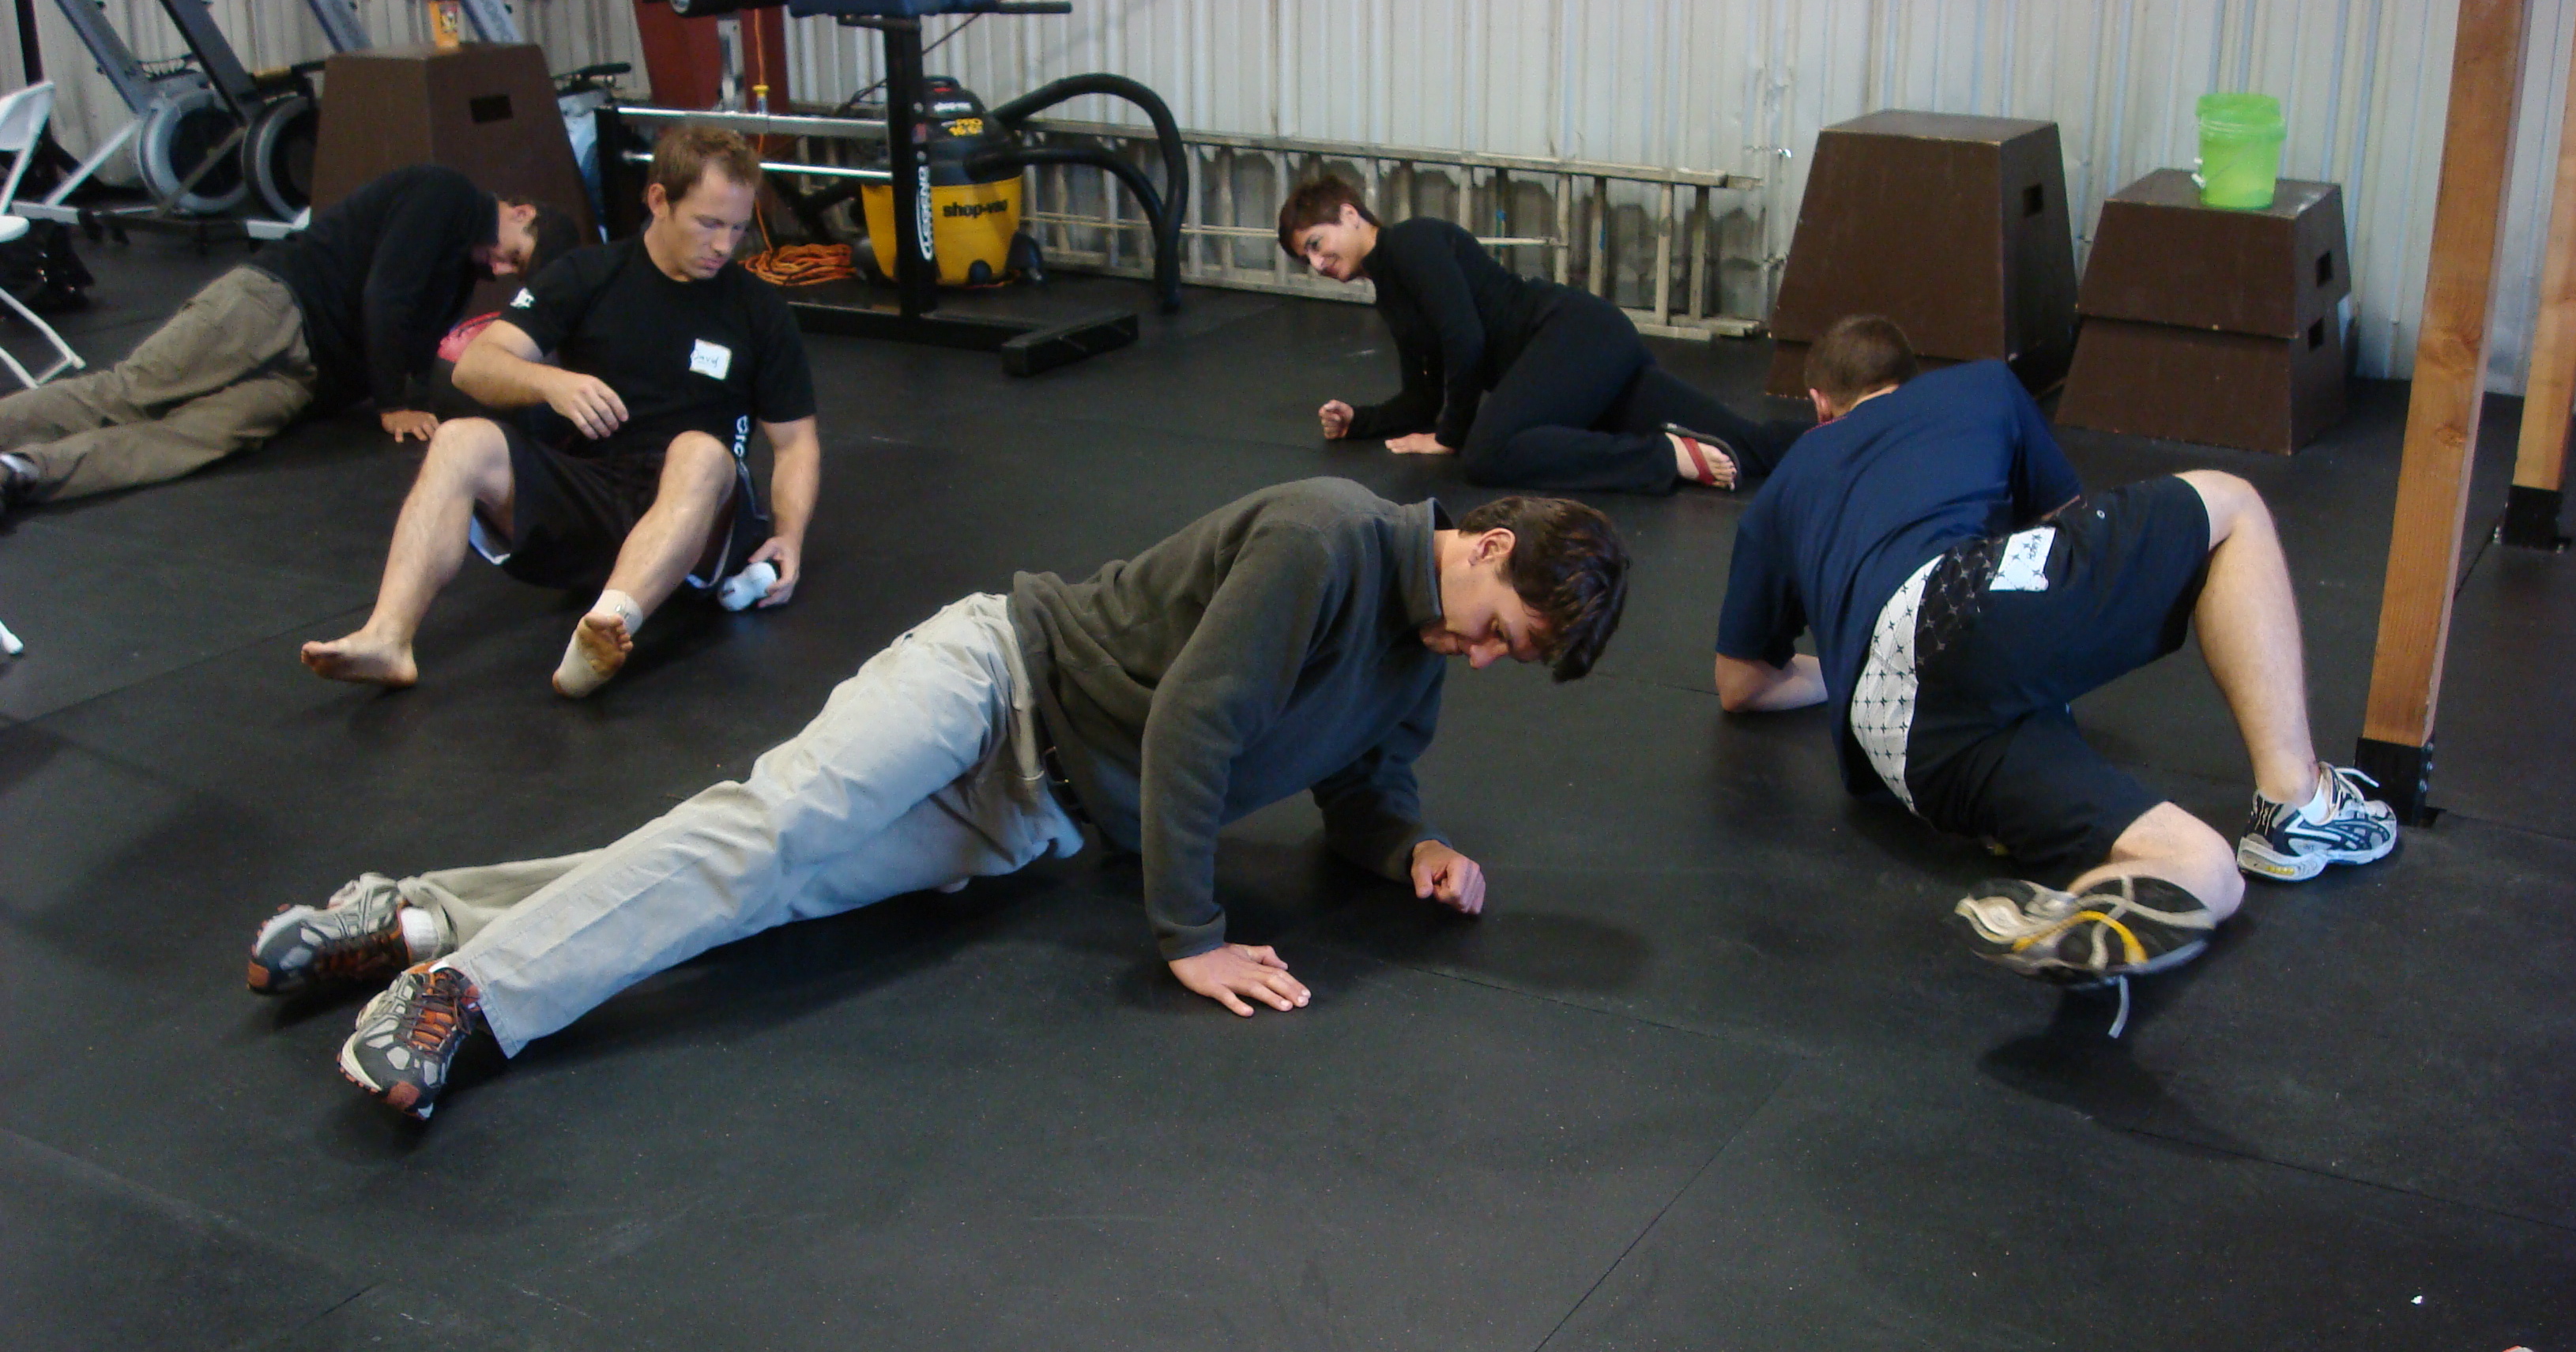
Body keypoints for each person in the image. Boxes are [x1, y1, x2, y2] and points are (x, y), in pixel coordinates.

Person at [245, 478, 1632, 1120]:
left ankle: (417, 914)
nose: (1484, 658)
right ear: (1484, 544)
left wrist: (1410, 847)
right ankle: (469, 998)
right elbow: (1198, 725)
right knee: (772, 828)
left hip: (1027, 817)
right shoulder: (1326, 539)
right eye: (1501, 629)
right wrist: (1191, 934)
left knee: (762, 888)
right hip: (993, 678)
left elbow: (1366, 782)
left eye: (1510, 659)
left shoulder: (1415, 656)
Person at [1711, 314, 2396, 989]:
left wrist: (1844, 663)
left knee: (2206, 864)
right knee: (2235, 505)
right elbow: (2064, 524)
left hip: (1892, 738)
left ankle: (2084, 908)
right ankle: (2297, 806)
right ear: (1909, 378)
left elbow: (1742, 684)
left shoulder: (1783, 488)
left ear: (1819, 404)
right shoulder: (1980, 386)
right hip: (1952, 606)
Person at [300, 128, 820, 698]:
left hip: (700, 519)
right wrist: (550, 383)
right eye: (709, 223)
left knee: (698, 451)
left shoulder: (758, 310)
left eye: (738, 229)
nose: (724, 245)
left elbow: (795, 443)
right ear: (658, 200)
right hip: (595, 492)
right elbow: (476, 366)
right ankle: (387, 638)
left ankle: (606, 629)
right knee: (459, 440)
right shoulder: (588, 275)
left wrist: (789, 537)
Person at [0, 165, 574, 511]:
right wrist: (393, 406)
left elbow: (419, 344)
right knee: (129, 392)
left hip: (304, 380)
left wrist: (420, 403)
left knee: (190, 440)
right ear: (520, 212)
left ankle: (23, 472)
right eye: (514, 256)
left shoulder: (461, 268)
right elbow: (385, 296)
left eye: (513, 273)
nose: (500, 269)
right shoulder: (447, 195)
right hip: (271, 305)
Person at [1277, 177, 1807, 495]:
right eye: (1307, 259)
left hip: (1575, 336)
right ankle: (1846, 436)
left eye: (1317, 244)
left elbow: (1465, 340)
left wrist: (1451, 436)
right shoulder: (1391, 294)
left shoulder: (1412, 242)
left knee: (1487, 452)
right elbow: (1423, 395)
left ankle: (1664, 459)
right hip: (1571, 368)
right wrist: (1360, 421)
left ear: (1350, 214)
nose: (1318, 264)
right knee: (1746, 447)